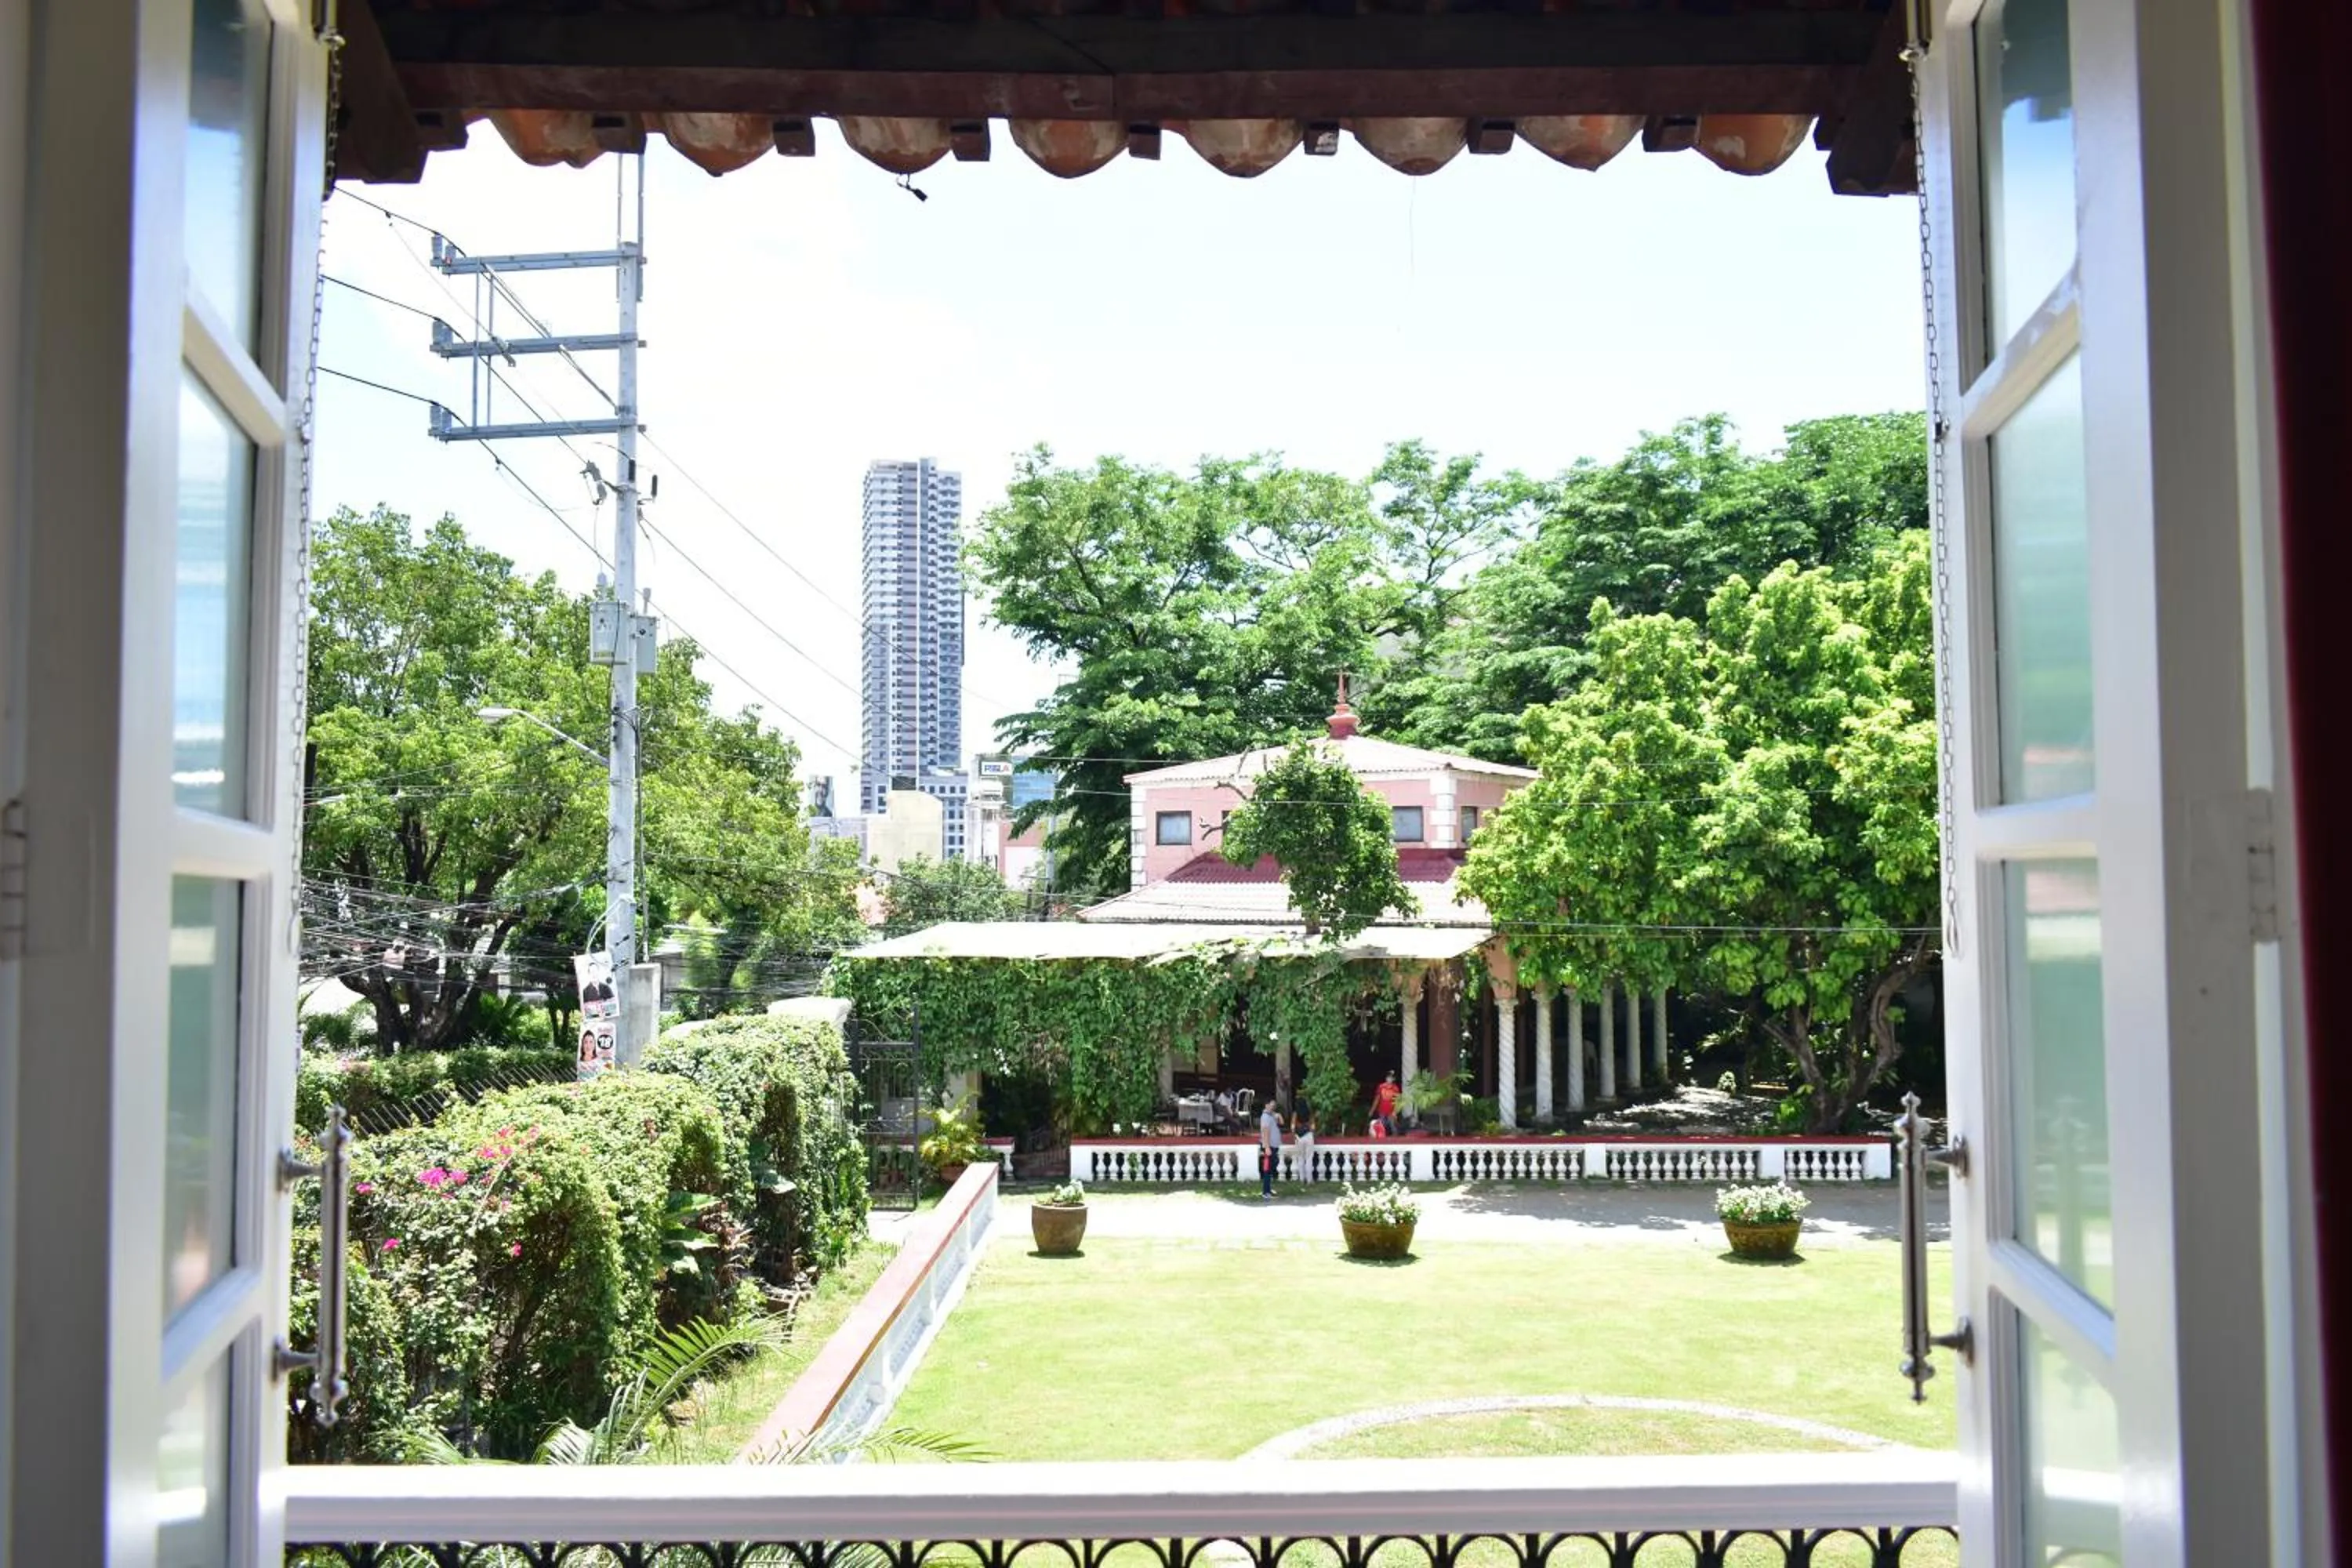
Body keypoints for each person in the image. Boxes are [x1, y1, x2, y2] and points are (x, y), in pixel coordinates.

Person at [1258, 1094, 1284, 1200]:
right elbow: (1265, 1132)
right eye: (1272, 1105)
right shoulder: (1265, 1117)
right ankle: (1266, 1192)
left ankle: (1268, 1189)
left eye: (1274, 1105)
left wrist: (1278, 1115)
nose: (1273, 1107)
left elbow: (1281, 1123)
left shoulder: (1271, 1115)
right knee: (1267, 1170)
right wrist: (1267, 1147)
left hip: (1273, 1146)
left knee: (1271, 1169)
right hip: (1269, 1147)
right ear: (1266, 1105)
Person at [1292, 1103, 1317, 1184]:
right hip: (1308, 1136)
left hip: (1299, 1137)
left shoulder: (1295, 1113)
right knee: (1309, 1158)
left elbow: (1292, 1126)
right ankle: (1309, 1180)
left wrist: (1294, 1135)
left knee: (1300, 1158)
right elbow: (1313, 1127)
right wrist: (1312, 1134)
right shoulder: (1310, 1113)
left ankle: (1302, 1179)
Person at [1374, 1070, 1402, 1135]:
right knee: (1381, 1126)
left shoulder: (1395, 1089)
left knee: (1393, 1126)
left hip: (1391, 1111)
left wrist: (1395, 1112)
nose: (1389, 1079)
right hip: (1382, 1110)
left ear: (1393, 1079)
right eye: (1388, 1077)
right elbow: (1377, 1099)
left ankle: (1395, 1141)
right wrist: (1372, 1110)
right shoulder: (1381, 1087)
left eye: (1391, 1078)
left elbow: (1397, 1101)